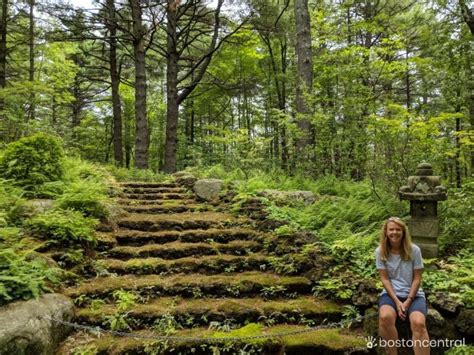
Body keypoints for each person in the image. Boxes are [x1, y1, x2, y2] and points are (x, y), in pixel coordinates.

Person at [375, 217, 430, 355]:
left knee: (419, 323)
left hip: (414, 295)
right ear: (386, 232)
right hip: (391, 294)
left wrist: (408, 301)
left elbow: (417, 278)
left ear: (403, 232)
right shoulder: (380, 251)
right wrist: (397, 301)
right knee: (385, 317)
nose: (395, 232)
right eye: (391, 229)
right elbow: (385, 279)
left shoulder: (414, 250)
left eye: (398, 229)